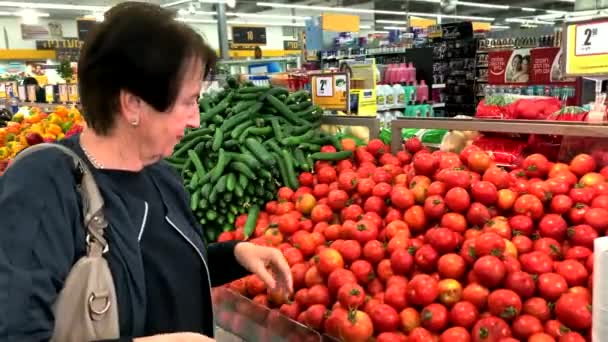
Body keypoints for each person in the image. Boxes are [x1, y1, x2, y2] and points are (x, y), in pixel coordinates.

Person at [0, 2, 292, 342]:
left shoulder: (161, 175)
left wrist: (235, 255)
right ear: (133, 104)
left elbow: (158, 274)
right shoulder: (44, 185)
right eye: (188, 101)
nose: (196, 119)